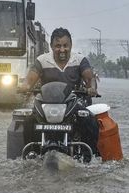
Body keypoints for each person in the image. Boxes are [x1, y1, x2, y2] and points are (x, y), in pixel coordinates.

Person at [18, 27, 100, 157]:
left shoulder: (80, 60)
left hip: (73, 104)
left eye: (65, 46)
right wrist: (24, 86)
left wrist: (91, 88)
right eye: (58, 46)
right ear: (51, 46)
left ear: (71, 45)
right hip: (46, 106)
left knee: (90, 121)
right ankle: (30, 154)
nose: (62, 49)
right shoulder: (42, 60)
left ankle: (89, 156)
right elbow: (30, 80)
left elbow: (90, 79)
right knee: (28, 122)